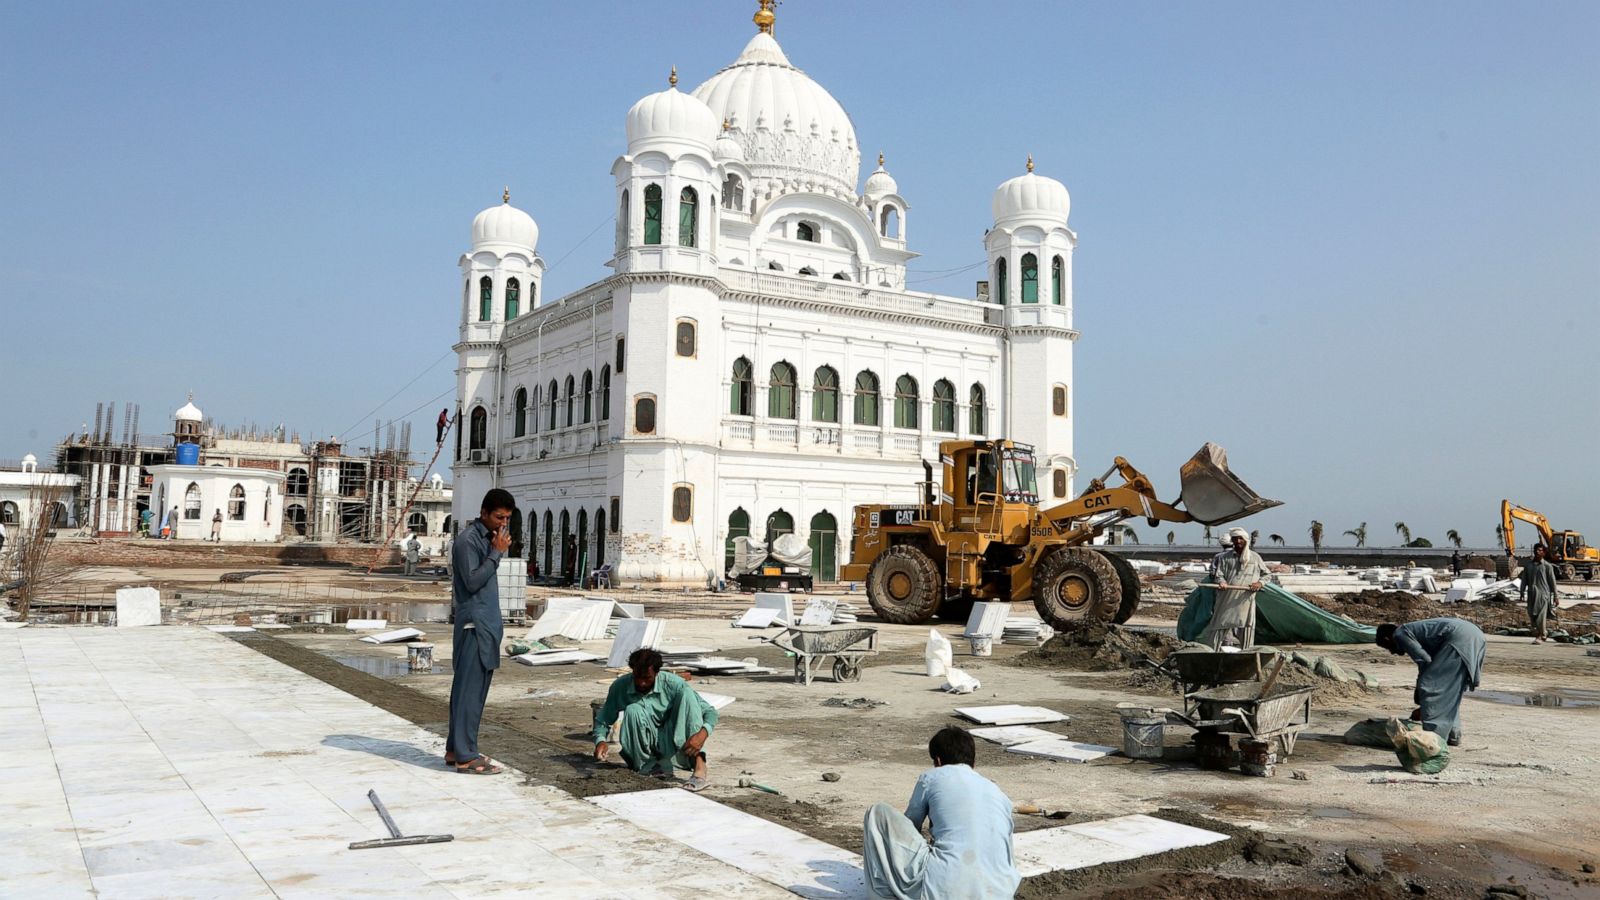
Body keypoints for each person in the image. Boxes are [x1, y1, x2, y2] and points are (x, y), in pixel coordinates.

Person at [861, 726, 1021, 900]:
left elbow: (911, 825)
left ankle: (881, 895)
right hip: (1001, 891)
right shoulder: (998, 792)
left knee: (876, 813)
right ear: (973, 763)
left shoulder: (931, 777)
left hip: (946, 888)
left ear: (938, 761)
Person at [446, 488, 513, 774]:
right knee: (469, 693)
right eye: (499, 517)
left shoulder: (487, 539)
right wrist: (496, 554)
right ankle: (466, 756)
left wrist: (495, 550)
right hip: (474, 625)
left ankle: (455, 749)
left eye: (507, 518)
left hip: (485, 624)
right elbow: (472, 582)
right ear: (484, 512)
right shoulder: (468, 541)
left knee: (470, 690)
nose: (503, 523)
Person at [593, 648, 717, 791]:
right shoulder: (620, 686)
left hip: (677, 744)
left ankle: (700, 767)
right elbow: (603, 719)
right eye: (637, 677)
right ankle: (647, 766)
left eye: (647, 678)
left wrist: (701, 735)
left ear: (657, 673)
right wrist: (600, 741)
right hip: (644, 751)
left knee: (687, 696)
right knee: (633, 710)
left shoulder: (674, 684)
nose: (642, 683)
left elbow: (710, 712)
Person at [1376, 618, 1486, 747]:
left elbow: (1424, 660)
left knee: (1432, 687)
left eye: (1387, 647)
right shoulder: (1415, 631)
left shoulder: (1400, 634)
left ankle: (1433, 741)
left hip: (1458, 638)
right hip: (1475, 635)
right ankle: (1453, 735)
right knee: (1450, 691)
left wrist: (1423, 703)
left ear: (1387, 639)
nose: (1392, 652)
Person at [1204, 527, 1271, 649]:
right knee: (1220, 624)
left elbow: (1267, 575)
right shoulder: (1225, 557)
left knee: (1246, 627)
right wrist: (1222, 582)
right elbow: (1218, 575)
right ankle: (1212, 653)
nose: (1238, 541)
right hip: (1226, 598)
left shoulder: (1255, 557)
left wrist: (1259, 583)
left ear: (1246, 540)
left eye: (1240, 538)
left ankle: (1247, 653)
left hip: (1246, 599)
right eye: (1235, 539)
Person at [1518, 543, 1559, 643]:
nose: (1537, 552)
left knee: (1541, 616)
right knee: (1532, 615)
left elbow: (1552, 582)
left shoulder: (1547, 566)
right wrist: (1522, 592)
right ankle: (1542, 633)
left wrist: (1556, 596)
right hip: (1531, 594)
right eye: (1536, 550)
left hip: (1543, 595)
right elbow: (1524, 579)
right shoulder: (1528, 566)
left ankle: (1541, 635)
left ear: (1544, 553)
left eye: (1540, 550)